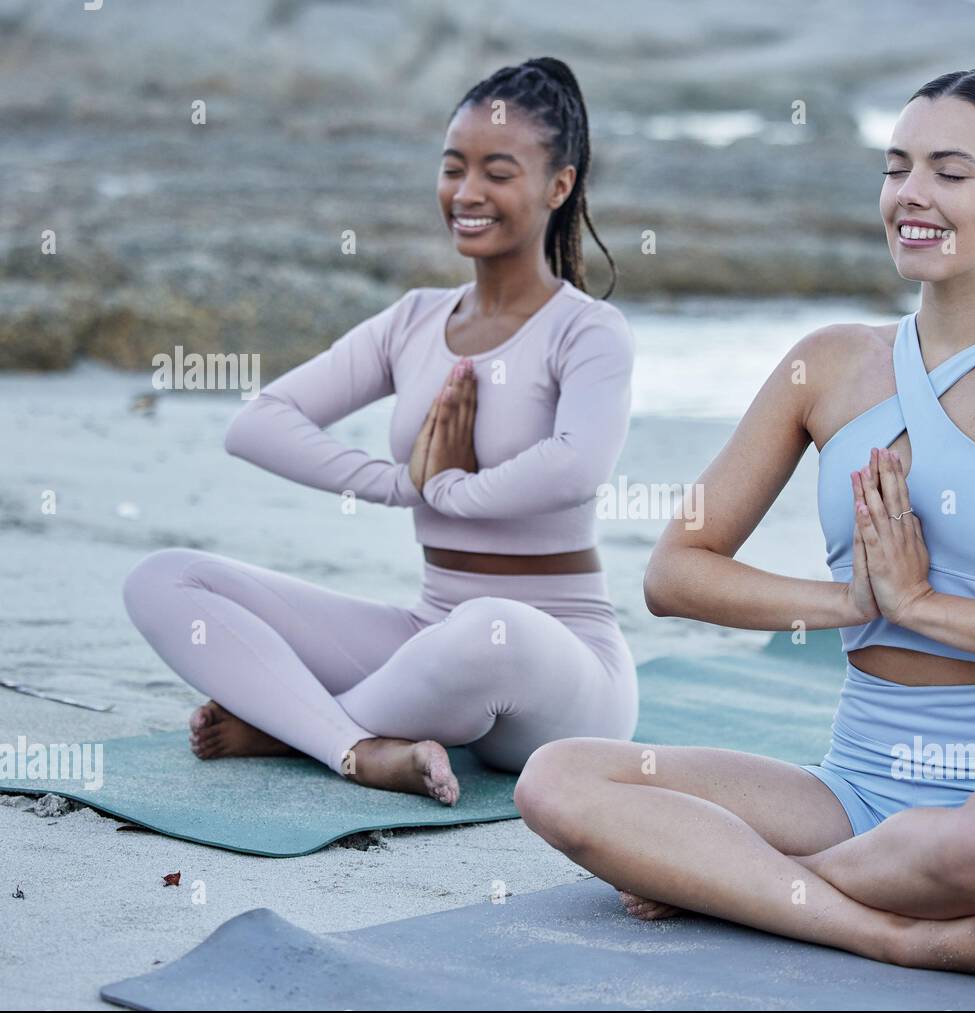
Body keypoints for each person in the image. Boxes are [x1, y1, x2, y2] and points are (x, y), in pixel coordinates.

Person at [514, 70, 975, 984]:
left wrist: (924, 606)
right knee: (557, 776)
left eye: (950, 171)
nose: (913, 194)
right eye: (897, 167)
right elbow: (677, 573)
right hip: (856, 787)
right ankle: (887, 931)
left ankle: (745, 885)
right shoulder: (825, 365)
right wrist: (851, 600)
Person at [122, 58, 638, 802]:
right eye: (453, 167)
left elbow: (576, 467)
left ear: (559, 186)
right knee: (164, 578)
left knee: (489, 627)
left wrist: (449, 488)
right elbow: (258, 422)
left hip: (561, 672)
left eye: (498, 171)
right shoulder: (414, 320)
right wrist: (400, 484)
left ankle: (289, 728)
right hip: (427, 638)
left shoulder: (589, 331)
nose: (467, 193)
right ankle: (354, 747)